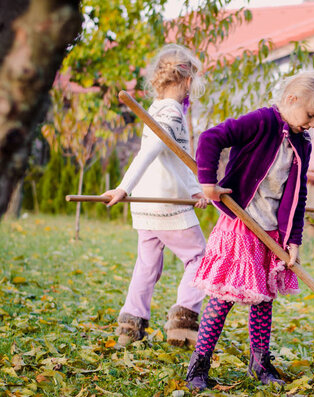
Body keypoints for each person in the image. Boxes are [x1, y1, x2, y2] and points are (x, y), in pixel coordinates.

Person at [185, 71, 314, 390]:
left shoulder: (301, 142)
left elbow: (299, 193)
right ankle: (198, 366)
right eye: (310, 115)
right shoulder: (262, 122)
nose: (312, 125)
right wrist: (208, 182)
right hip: (241, 224)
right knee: (223, 299)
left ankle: (259, 363)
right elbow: (211, 137)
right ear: (291, 100)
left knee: (263, 299)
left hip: (270, 233)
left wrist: (294, 239)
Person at [102, 44, 208, 347]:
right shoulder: (173, 113)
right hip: (166, 206)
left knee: (147, 265)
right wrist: (123, 188)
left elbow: (176, 158)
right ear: (188, 81)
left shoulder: (155, 108)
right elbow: (150, 152)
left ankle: (129, 328)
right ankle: (182, 325)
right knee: (200, 257)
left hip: (147, 207)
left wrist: (195, 189)